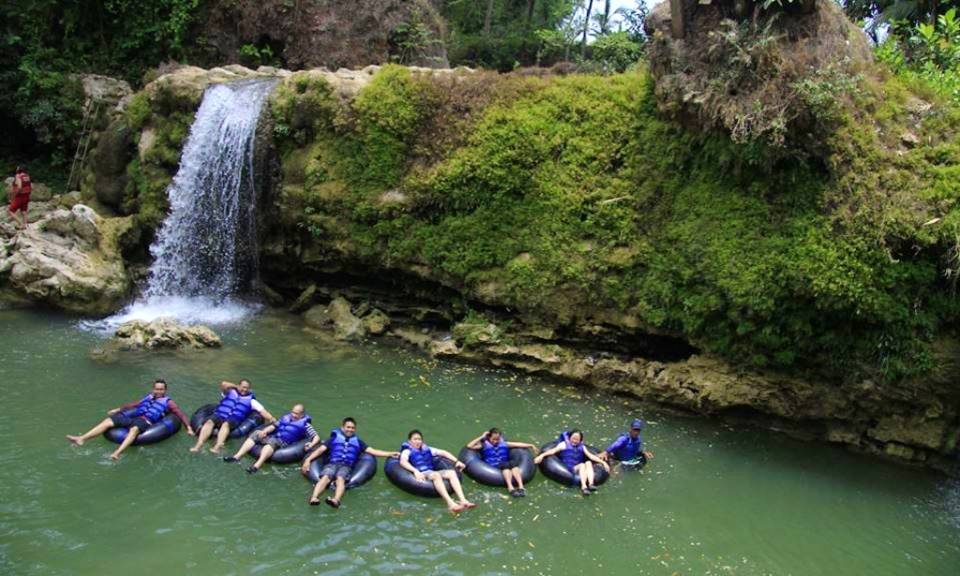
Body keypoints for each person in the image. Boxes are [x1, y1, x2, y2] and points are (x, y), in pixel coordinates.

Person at [66, 379, 194, 460]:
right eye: (157, 388)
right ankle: (81, 439)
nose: (159, 391)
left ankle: (117, 453)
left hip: (146, 422)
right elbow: (135, 405)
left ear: (165, 390)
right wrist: (118, 409)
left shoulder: (168, 402)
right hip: (134, 417)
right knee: (108, 421)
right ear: (153, 388)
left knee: (134, 430)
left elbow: (180, 414)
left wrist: (188, 428)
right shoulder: (149, 397)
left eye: (161, 389)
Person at [300, 417, 398, 509]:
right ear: (342, 427)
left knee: (340, 479)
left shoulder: (359, 442)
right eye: (348, 427)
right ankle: (314, 497)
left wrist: (390, 453)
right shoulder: (333, 439)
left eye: (352, 428)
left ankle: (336, 500)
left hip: (346, 466)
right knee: (326, 477)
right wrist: (308, 460)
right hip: (332, 463)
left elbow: (373, 451)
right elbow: (320, 450)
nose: (350, 429)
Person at [224, 403, 319, 474]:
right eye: (293, 412)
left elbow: (316, 437)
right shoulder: (286, 418)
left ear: (302, 414)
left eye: (297, 414)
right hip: (275, 436)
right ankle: (237, 456)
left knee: (271, 442)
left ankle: (256, 466)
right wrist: (264, 431)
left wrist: (312, 444)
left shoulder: (306, 425)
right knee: (256, 434)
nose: (293, 415)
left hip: (284, 442)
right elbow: (274, 426)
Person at [400, 430, 477, 513]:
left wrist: (456, 461)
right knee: (436, 475)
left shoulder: (427, 449)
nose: (418, 441)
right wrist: (415, 471)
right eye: (415, 439)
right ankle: (450, 504)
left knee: (452, 473)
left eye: (419, 439)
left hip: (430, 471)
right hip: (421, 473)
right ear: (409, 441)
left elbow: (443, 452)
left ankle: (463, 500)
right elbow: (403, 462)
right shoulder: (407, 451)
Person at [190, 379, 274, 454]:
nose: (244, 390)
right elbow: (223, 384)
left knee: (226, 424)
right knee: (209, 421)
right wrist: (235, 386)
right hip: (220, 415)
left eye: (247, 388)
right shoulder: (229, 392)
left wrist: (271, 419)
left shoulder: (251, 401)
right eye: (243, 387)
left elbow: (263, 411)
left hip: (234, 419)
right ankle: (199, 444)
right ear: (238, 386)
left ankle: (217, 447)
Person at [466, 427, 538, 497]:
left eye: (497, 439)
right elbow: (469, 446)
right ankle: (511, 488)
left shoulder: (504, 443)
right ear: (489, 437)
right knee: (506, 466)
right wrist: (482, 436)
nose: (495, 441)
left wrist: (531, 445)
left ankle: (521, 487)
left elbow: (518, 444)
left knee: (513, 464)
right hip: (493, 465)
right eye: (493, 439)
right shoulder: (483, 445)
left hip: (505, 463)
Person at [534, 429, 610, 495]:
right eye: (573, 438)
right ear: (569, 438)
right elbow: (552, 451)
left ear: (580, 440)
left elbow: (591, 456)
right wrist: (542, 455)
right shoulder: (563, 445)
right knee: (582, 465)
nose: (575, 441)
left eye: (577, 439)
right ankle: (584, 487)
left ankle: (591, 484)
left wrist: (603, 462)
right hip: (568, 468)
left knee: (588, 463)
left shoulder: (582, 447)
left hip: (578, 466)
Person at [7, 165, 31, 230]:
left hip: (20, 195)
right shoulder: (27, 176)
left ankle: (21, 224)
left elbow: (19, 187)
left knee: (10, 211)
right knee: (24, 210)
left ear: (20, 169)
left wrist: (15, 194)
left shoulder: (18, 176)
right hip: (27, 195)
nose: (16, 168)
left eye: (17, 167)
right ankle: (26, 225)